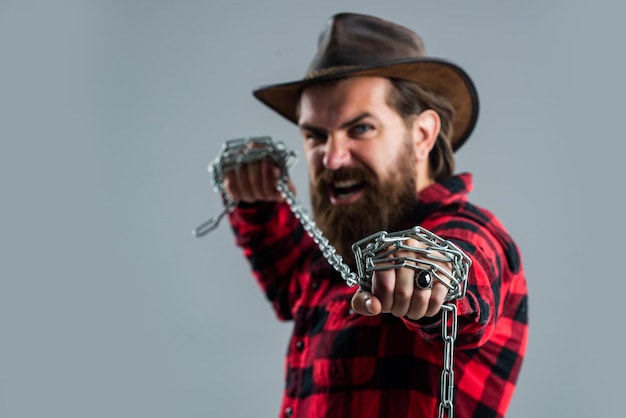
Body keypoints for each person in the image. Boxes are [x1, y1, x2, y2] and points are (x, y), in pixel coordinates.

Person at [220, 12, 528, 418]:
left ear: (422, 135)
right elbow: (293, 284)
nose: (331, 157)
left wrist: (428, 277)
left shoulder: (471, 231)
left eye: (361, 129)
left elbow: (466, 269)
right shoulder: (351, 243)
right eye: (315, 135)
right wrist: (257, 204)